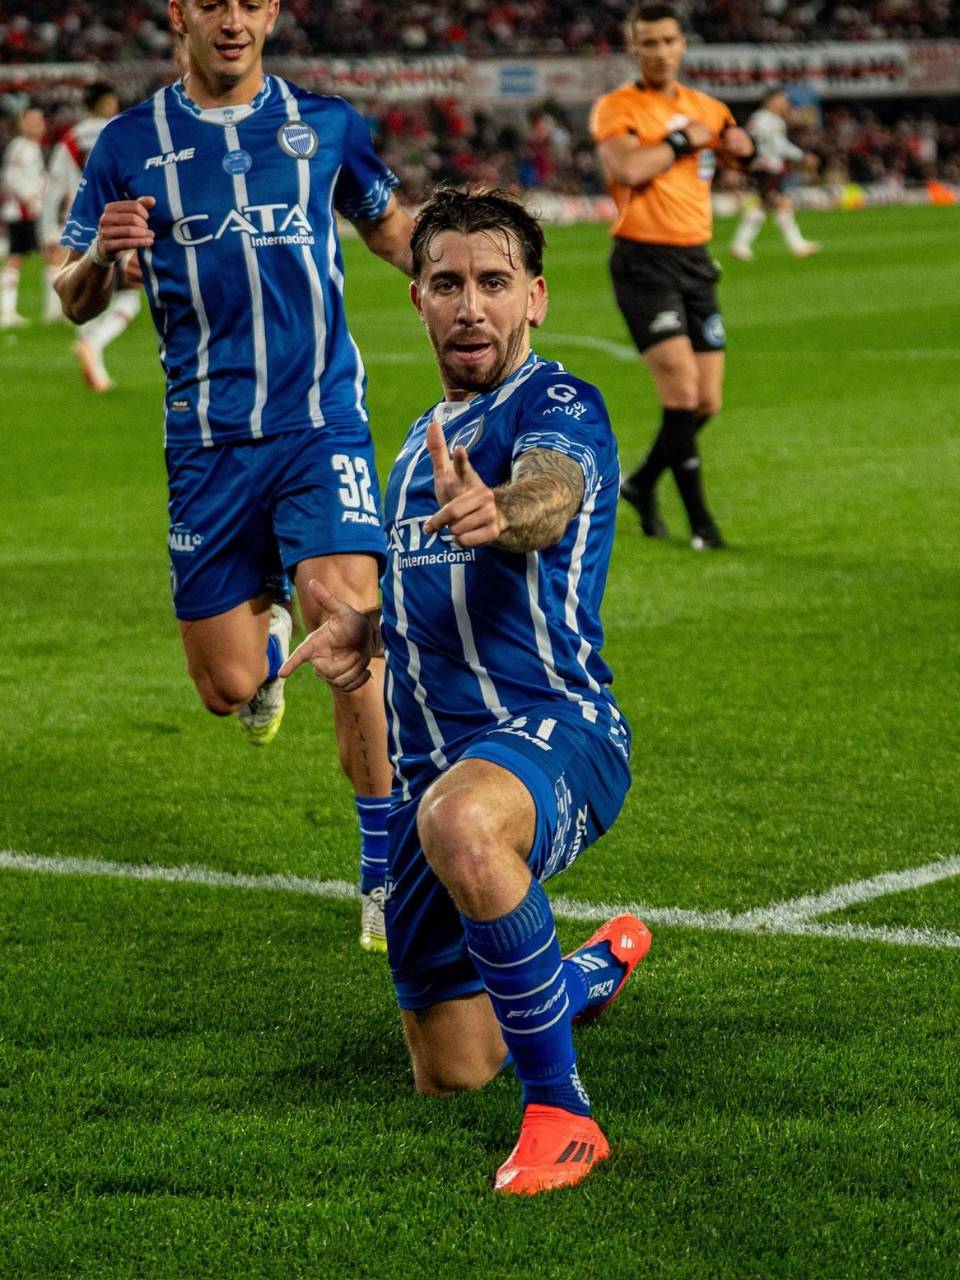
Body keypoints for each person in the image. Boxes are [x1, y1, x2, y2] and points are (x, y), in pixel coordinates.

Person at [281, 187, 651, 1196]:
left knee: (462, 822)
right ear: (417, 299)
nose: (471, 306)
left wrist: (503, 508)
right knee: (451, 1066)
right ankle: (586, 971)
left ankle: (566, 1117)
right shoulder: (412, 452)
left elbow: (551, 495)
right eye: (448, 283)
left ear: (533, 296)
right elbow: (418, 594)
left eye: (494, 283)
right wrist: (367, 626)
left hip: (559, 728)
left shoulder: (559, 403)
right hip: (440, 770)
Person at [54, 0, 415, 950]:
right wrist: (101, 253)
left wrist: (475, 267)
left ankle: (386, 874)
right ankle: (263, 654)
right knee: (223, 688)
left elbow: (390, 230)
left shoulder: (327, 125)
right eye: (213, 1)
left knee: (355, 628)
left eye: (251, 2)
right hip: (207, 444)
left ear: (272, 13)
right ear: (181, 12)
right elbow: (69, 297)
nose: (233, 20)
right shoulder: (127, 145)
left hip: (321, 425)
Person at [589, 3, 753, 549]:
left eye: (667, 41)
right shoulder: (617, 107)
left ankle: (640, 482)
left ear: (683, 44)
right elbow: (628, 169)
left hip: (695, 260)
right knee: (681, 389)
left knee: (708, 402)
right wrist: (686, 139)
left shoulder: (709, 106)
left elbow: (738, 153)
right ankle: (702, 523)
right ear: (632, 49)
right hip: (642, 259)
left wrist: (741, 148)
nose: (659, 52)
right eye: (647, 43)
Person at [40, 80, 143, 388]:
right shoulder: (121, 132)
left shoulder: (70, 140)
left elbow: (53, 189)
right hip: (117, 225)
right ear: (108, 102)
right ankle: (95, 345)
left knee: (81, 299)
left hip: (78, 226)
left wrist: (48, 232)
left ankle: (95, 365)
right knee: (129, 297)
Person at [729, 89, 821, 262]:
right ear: (771, 100)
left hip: (767, 168)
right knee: (781, 204)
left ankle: (740, 244)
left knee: (764, 207)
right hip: (766, 168)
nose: (786, 103)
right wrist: (802, 156)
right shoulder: (765, 120)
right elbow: (777, 145)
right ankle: (797, 245)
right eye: (782, 99)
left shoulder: (766, 119)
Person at [0, 106, 46, 329]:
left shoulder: (31, 147)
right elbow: (11, 178)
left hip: (26, 209)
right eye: (32, 121)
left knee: (22, 257)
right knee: (17, 258)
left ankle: (9, 311)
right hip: (22, 212)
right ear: (22, 124)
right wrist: (30, 203)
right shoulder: (22, 147)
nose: (37, 125)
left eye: (39, 120)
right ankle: (7, 311)